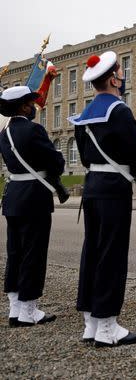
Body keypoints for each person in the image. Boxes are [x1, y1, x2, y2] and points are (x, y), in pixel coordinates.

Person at [70, 51, 136, 347]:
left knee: (92, 250)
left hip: (92, 186)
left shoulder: (83, 115)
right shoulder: (119, 110)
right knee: (112, 255)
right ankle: (107, 326)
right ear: (114, 78)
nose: (123, 75)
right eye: (120, 71)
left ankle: (91, 322)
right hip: (114, 188)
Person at [0, 86, 64, 327]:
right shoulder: (33, 130)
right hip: (34, 199)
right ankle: (29, 310)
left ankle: (15, 307)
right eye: (30, 102)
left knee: (15, 252)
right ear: (23, 106)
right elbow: (55, 162)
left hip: (13, 197)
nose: (34, 106)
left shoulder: (3, 134)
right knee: (33, 253)